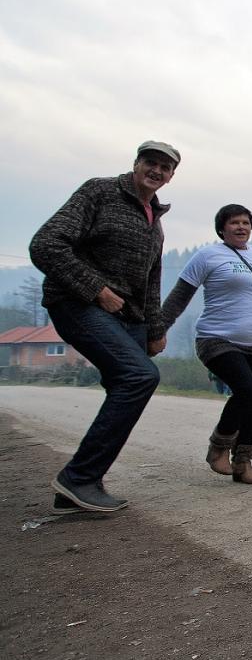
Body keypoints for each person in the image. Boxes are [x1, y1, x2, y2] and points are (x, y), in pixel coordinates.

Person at [30, 140, 180, 513]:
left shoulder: (155, 224)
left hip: (126, 314)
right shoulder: (99, 191)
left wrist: (155, 329)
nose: (156, 171)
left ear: (172, 176)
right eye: (151, 162)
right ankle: (78, 479)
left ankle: (82, 485)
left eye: (165, 167)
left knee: (130, 384)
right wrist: (96, 289)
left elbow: (151, 282)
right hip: (77, 303)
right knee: (139, 377)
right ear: (136, 163)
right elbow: (46, 244)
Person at [161, 204, 252, 485]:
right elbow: (180, 296)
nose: (241, 227)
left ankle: (243, 462)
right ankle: (219, 446)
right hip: (216, 339)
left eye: (246, 222)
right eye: (234, 223)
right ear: (222, 228)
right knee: (247, 391)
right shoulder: (207, 256)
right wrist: (158, 330)